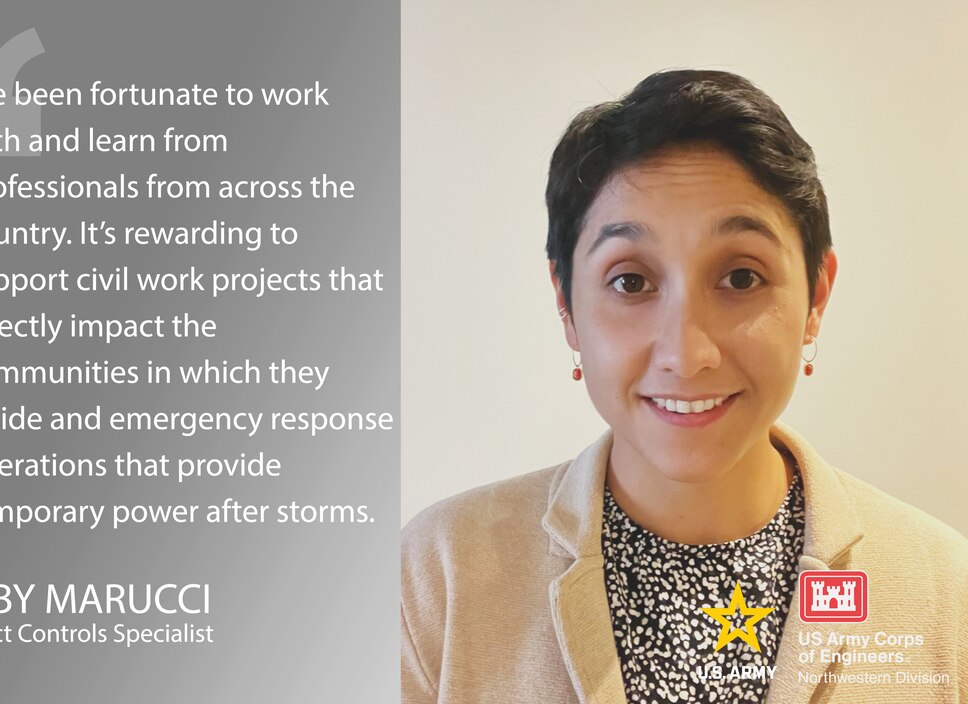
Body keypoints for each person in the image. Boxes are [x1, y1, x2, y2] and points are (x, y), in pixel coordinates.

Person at [401, 70, 968, 703]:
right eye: (631, 282)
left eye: (742, 277)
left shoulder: (945, 593)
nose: (686, 354)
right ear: (566, 305)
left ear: (816, 296)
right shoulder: (438, 579)